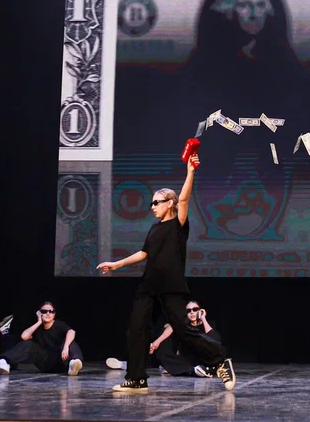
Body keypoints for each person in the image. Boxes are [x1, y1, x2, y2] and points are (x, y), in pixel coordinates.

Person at [97, 153, 235, 393]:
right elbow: (144, 253)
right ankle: (136, 379)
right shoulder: (154, 228)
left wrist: (190, 172)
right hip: (148, 286)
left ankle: (220, 361)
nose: (152, 207)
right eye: (152, 203)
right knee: (137, 329)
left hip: (171, 285)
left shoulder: (177, 225)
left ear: (169, 203)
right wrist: (117, 264)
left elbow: (184, 198)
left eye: (156, 202)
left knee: (183, 329)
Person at [106, 301, 224, 378]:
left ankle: (183, 369)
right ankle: (128, 364)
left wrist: (203, 319)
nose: (192, 312)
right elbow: (171, 327)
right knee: (162, 352)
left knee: (214, 352)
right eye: (189, 311)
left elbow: (214, 339)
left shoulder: (208, 323)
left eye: (195, 309)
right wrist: (156, 343)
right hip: (187, 360)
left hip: (202, 358)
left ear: (200, 310)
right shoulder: (184, 325)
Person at [0, 301, 83, 376]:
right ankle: (4, 362)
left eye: (51, 311)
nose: (48, 313)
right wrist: (39, 322)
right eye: (44, 311)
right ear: (39, 313)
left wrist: (66, 347)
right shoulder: (37, 328)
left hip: (62, 361)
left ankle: (74, 363)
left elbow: (72, 332)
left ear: (54, 314)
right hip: (45, 364)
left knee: (69, 341)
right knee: (28, 344)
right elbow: (24, 337)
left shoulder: (59, 325)